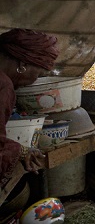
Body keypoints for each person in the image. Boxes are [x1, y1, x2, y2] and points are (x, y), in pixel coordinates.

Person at [0, 28, 59, 186]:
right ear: (23, 64)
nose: (34, 81)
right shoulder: (3, 86)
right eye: (38, 74)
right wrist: (20, 150)